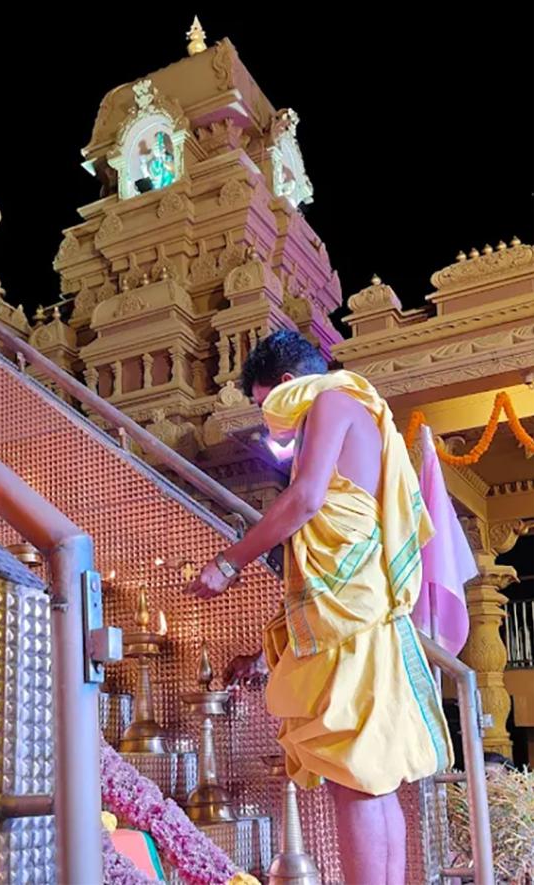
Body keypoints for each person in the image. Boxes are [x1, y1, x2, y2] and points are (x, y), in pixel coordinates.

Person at [185, 330, 453, 885]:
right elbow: (328, 551)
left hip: (351, 617)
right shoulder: (360, 407)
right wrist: (264, 652)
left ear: (288, 383)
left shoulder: (330, 399)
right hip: (357, 613)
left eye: (264, 406)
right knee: (370, 782)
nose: (269, 424)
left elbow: (306, 499)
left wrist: (229, 562)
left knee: (354, 780)